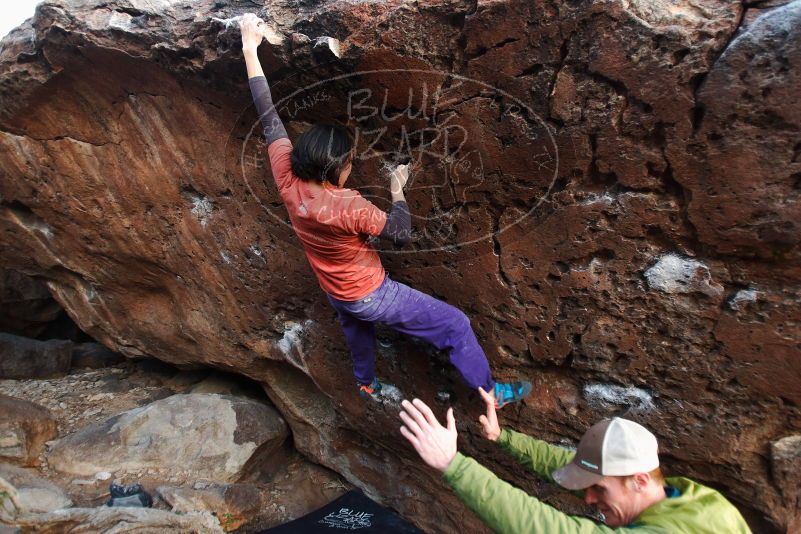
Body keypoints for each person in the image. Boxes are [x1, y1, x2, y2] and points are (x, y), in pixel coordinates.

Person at [239, 14, 531, 407]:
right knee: (455, 325)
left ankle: (364, 382)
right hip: (370, 294)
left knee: (356, 329)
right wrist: (397, 191)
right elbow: (399, 232)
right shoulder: (348, 206)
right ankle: (492, 393)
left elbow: (268, 115)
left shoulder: (288, 179)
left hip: (334, 289)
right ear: (338, 169)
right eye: (350, 161)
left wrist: (248, 48)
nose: (353, 165)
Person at [398, 388, 752, 533]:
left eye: (598, 488)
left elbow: (548, 527)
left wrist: (453, 464)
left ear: (640, 480)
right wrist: (503, 438)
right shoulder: (693, 499)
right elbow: (562, 463)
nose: (588, 499)